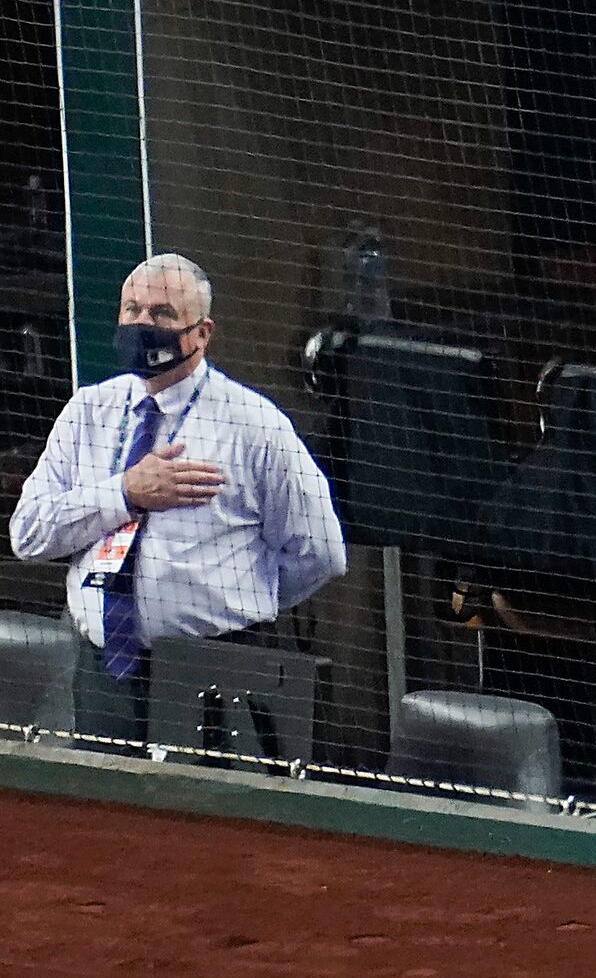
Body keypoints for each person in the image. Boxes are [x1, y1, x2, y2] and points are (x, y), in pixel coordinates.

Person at [10, 254, 347, 745]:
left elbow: (322, 553)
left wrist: (242, 602)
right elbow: (28, 534)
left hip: (214, 671)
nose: (143, 323)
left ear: (202, 333)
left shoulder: (253, 425)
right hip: (100, 664)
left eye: (162, 314)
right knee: (101, 814)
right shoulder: (88, 412)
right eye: (132, 310)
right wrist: (124, 493)